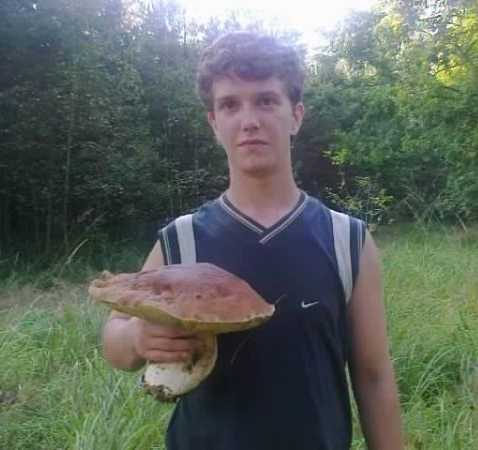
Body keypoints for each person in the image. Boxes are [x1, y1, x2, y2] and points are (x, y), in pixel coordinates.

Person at [102, 31, 404, 450]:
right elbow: (115, 338)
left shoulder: (347, 240)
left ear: (295, 115)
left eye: (266, 100)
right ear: (214, 123)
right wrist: (137, 337)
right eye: (230, 104)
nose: (249, 120)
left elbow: (373, 376)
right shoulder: (182, 239)